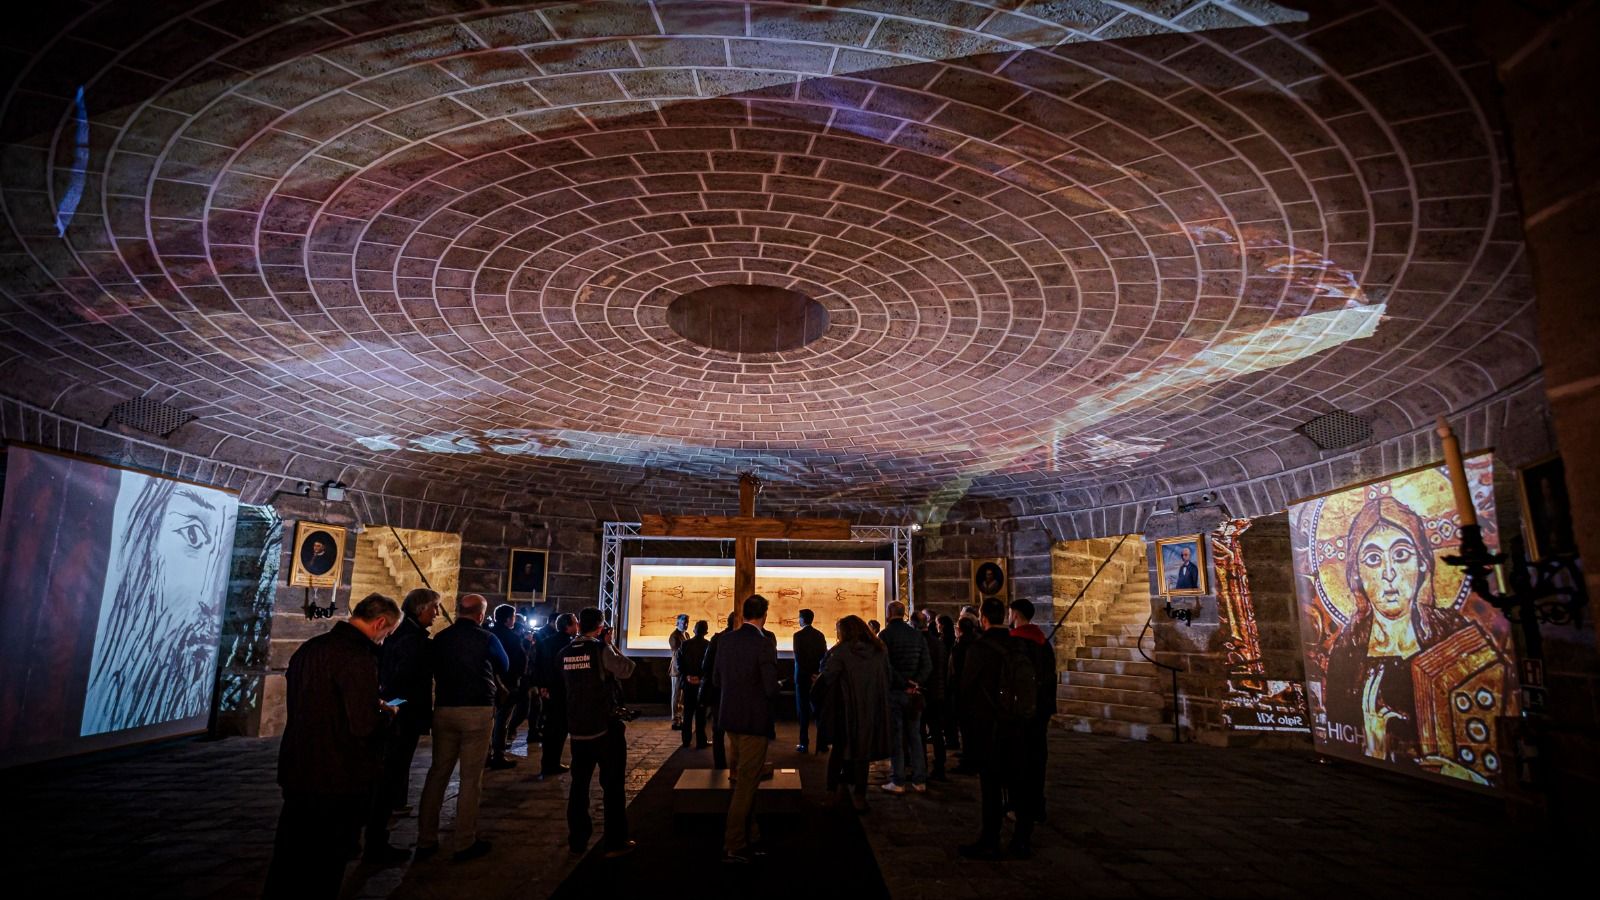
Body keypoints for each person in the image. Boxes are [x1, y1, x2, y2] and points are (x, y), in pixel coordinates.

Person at [1322, 495, 1509, 779]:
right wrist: (1375, 745)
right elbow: (1340, 732)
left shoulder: (1453, 633)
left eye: (1401, 554)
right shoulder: (1347, 652)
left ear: (1422, 564)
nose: (1389, 574)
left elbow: (1497, 708)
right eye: (1373, 559)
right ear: (1356, 574)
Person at [264, 593, 399, 900]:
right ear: (379, 623)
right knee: (325, 864)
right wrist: (387, 715)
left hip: (299, 768)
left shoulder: (310, 649)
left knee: (288, 859)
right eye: (387, 634)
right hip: (338, 775)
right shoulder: (357, 657)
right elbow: (363, 725)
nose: (384, 640)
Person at [416, 594, 507, 863]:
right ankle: (464, 841)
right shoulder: (487, 638)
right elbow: (505, 664)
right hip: (477, 710)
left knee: (437, 774)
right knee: (470, 778)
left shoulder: (441, 639)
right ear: (480, 615)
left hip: (445, 709)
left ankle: (426, 839)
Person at [364, 588, 438, 863]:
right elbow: (402, 681)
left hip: (402, 714)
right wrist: (395, 706)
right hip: (402, 719)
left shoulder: (407, 636)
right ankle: (375, 842)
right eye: (434, 608)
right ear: (421, 610)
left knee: (390, 777)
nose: (437, 614)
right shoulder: (411, 640)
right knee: (388, 778)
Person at [561, 607, 638, 858]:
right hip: (604, 728)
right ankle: (615, 841)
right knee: (613, 785)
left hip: (578, 728)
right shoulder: (599, 650)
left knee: (579, 785)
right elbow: (627, 669)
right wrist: (611, 645)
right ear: (600, 626)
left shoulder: (564, 652)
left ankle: (577, 839)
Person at [958, 599, 1029, 860]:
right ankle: (1022, 838)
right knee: (1019, 782)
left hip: (990, 725)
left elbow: (967, 687)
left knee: (991, 784)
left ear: (983, 617)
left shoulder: (980, 648)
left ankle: (990, 838)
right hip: (1018, 723)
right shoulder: (1020, 643)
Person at [714, 595, 779, 865]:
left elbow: (717, 678)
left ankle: (750, 834)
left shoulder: (725, 640)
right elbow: (770, 687)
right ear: (764, 614)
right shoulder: (763, 644)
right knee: (747, 784)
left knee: (742, 779)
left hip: (730, 717)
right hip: (754, 721)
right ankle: (735, 844)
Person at [815, 615, 891, 814]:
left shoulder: (841, 652)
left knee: (839, 751)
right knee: (862, 754)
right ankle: (859, 795)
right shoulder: (878, 651)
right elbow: (887, 677)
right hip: (871, 709)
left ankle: (831, 792)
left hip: (845, 710)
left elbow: (828, 676)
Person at [1008, 598, 1057, 833]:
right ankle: (1037, 804)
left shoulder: (1017, 643)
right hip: (1042, 710)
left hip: (1022, 712)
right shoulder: (1043, 643)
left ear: (1015, 614)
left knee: (1018, 759)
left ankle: (1020, 806)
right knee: (1037, 758)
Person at [879, 600, 931, 794]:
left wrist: (903, 683)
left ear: (889, 613)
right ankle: (919, 780)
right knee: (915, 736)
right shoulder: (917, 636)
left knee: (897, 737)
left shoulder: (885, 635)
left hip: (895, 693)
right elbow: (927, 665)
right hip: (914, 694)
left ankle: (898, 780)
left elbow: (887, 667)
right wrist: (915, 683)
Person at [532, 612, 579, 778]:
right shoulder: (569, 646)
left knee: (550, 727)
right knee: (559, 729)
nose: (577, 626)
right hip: (561, 690)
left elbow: (537, 664)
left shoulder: (546, 642)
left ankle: (548, 762)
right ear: (568, 626)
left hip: (549, 690)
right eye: (575, 623)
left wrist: (542, 685)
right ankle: (552, 763)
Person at [489, 604, 529, 769]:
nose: (514, 619)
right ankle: (498, 754)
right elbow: (519, 660)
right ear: (507, 619)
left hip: (489, 682)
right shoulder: (511, 637)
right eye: (513, 617)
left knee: (491, 720)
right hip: (507, 683)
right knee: (502, 720)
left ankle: (487, 752)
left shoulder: (488, 633)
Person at [701, 611, 738, 769]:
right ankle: (738, 765)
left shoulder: (717, 639)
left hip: (718, 691)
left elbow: (706, 665)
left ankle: (720, 763)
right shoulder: (740, 640)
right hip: (736, 691)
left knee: (718, 729)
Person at [917, 609, 950, 781]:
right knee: (937, 732)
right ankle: (940, 765)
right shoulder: (938, 643)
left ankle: (921, 766)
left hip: (923, 692)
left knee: (920, 731)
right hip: (937, 692)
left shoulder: (918, 644)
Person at [792, 608, 828, 753]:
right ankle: (822, 743)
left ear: (802, 619)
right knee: (818, 710)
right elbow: (824, 655)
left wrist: (807, 673)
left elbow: (799, 658)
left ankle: (804, 743)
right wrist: (816, 673)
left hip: (802, 678)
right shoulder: (820, 635)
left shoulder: (797, 636)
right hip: (816, 678)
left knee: (803, 711)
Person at [949, 616, 979, 774]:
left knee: (967, 728)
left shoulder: (961, 646)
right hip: (974, 692)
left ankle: (970, 759)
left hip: (963, 691)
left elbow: (956, 670)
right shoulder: (976, 642)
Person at [678, 620, 711, 748]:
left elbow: (679, 663)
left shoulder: (685, 645)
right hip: (701, 685)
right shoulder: (707, 645)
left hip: (687, 683)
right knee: (700, 714)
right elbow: (708, 665)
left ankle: (686, 740)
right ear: (706, 631)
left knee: (687, 713)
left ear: (694, 630)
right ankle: (701, 741)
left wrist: (687, 676)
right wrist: (701, 677)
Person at [937, 614, 960, 752]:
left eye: (938, 623)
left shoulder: (944, 641)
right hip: (948, 681)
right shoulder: (951, 640)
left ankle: (951, 740)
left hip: (947, 680)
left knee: (948, 714)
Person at [668, 613, 689, 730]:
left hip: (684, 669)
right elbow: (676, 653)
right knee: (676, 695)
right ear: (678, 623)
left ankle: (680, 717)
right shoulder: (674, 636)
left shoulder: (686, 634)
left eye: (686, 622)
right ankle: (675, 719)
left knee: (682, 696)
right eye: (683, 622)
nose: (685, 625)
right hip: (677, 669)